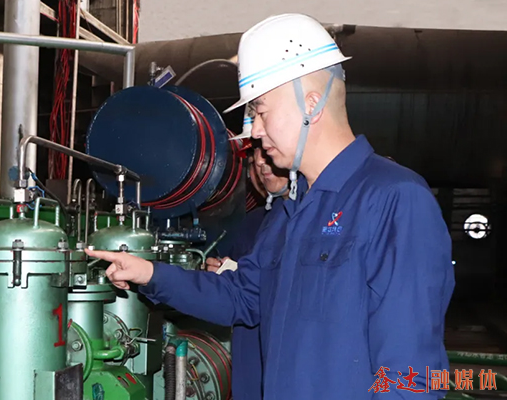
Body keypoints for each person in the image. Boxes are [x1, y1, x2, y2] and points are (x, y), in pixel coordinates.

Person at [87, 13, 455, 399]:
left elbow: (411, 378)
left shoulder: (395, 200)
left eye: (261, 111)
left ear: (311, 104)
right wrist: (150, 274)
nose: (256, 130)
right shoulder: (289, 211)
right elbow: (242, 298)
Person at [205, 129, 289, 400]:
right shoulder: (251, 222)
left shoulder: (300, 219)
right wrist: (217, 270)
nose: (261, 166)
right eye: (253, 161)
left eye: (267, 154)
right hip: (248, 365)